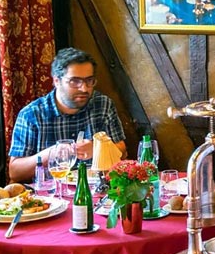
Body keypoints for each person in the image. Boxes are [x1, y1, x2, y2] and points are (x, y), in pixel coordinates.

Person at [8, 48, 127, 182]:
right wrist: (52, 154)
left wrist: (99, 148)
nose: (84, 88)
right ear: (57, 81)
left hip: (97, 190)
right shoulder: (32, 114)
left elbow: (122, 151)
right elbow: (15, 172)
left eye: (89, 80)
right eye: (75, 81)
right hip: (50, 196)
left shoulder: (103, 104)